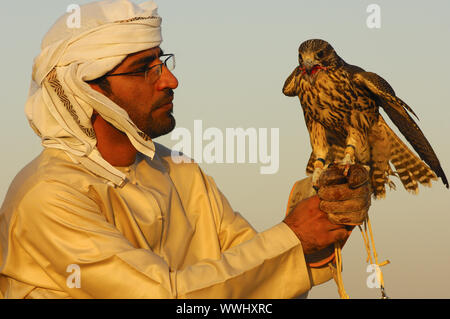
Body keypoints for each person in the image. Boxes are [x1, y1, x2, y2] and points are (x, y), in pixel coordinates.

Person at [0, 0, 371, 299]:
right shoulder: (48, 196)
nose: (170, 79)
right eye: (144, 68)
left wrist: (322, 217)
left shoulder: (179, 172)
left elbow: (256, 278)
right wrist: (293, 235)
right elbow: (163, 297)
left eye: (162, 61)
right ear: (88, 89)